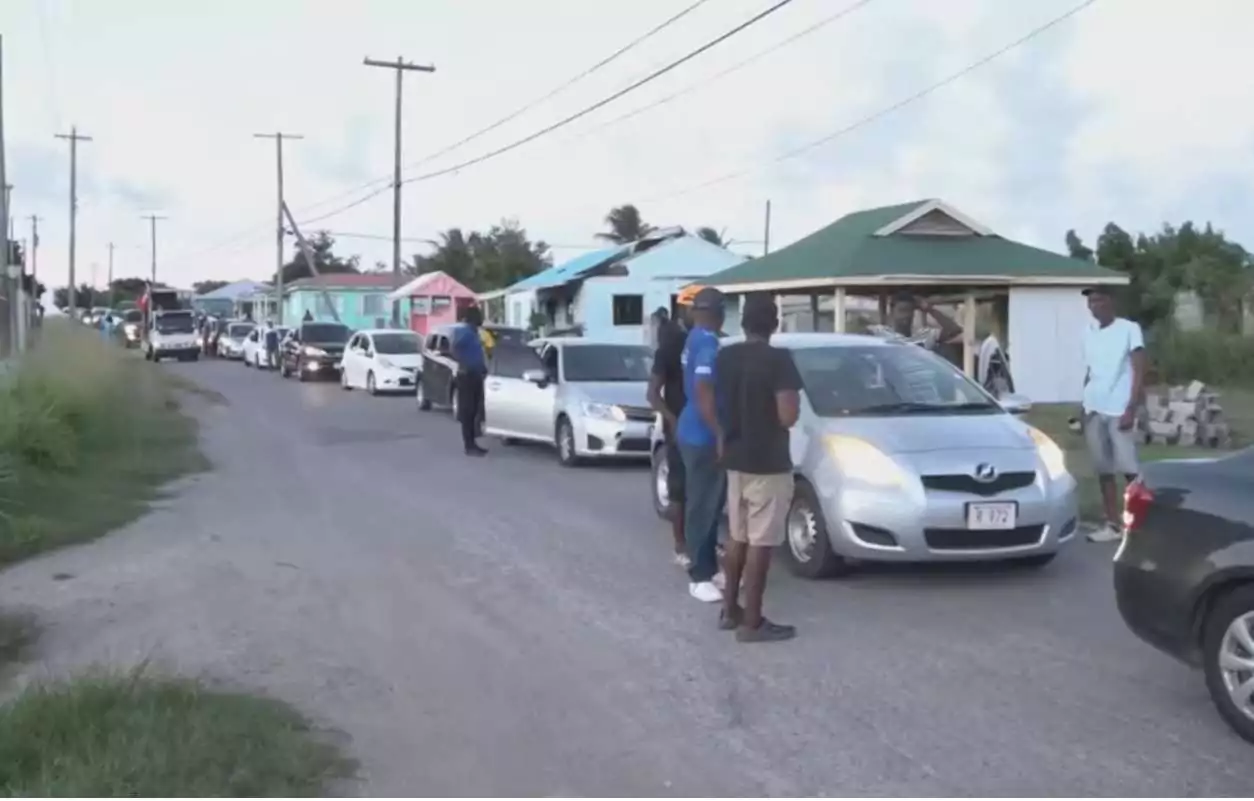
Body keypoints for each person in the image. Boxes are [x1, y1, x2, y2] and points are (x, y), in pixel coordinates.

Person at [715, 293, 802, 642]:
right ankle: (753, 621)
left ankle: (729, 610)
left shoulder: (726, 357)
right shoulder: (779, 360)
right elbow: (788, 415)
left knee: (737, 537)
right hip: (768, 461)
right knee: (761, 543)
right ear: (775, 324)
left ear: (743, 322)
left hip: (735, 459)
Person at [1081, 286, 1145, 543]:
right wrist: (1082, 405)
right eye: (1091, 301)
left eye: (1099, 300)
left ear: (1111, 302)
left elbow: (1140, 369)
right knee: (1103, 470)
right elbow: (1090, 370)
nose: (1094, 305)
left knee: (1130, 470)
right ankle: (1112, 524)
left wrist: (1132, 406)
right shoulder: (1087, 333)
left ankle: (1139, 523)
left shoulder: (1129, 329)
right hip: (1093, 408)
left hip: (1119, 408)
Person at [676, 286, 728, 603]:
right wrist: (720, 432)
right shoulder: (708, 341)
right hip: (703, 434)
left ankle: (708, 566)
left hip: (692, 427)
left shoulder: (693, 336)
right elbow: (704, 390)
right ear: (718, 313)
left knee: (709, 504)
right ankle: (698, 574)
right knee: (703, 505)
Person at [647, 292, 696, 568]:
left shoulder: (707, 341)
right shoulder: (670, 345)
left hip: (705, 426)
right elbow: (652, 394)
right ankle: (680, 545)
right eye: (695, 308)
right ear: (684, 310)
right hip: (679, 429)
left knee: (704, 488)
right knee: (680, 489)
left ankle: (703, 540)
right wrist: (672, 419)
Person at [867, 291, 963, 353]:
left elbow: (954, 329)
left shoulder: (925, 335)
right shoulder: (880, 333)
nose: (906, 315)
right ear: (892, 312)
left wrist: (928, 308)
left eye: (910, 310)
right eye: (902, 310)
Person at [451, 305, 489, 457]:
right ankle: (469, 445)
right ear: (473, 318)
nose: (481, 320)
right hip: (467, 375)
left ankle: (473, 443)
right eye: (479, 317)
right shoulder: (465, 332)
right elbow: (455, 348)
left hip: (476, 374)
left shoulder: (474, 333)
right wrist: (464, 363)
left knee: (474, 410)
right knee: (468, 411)